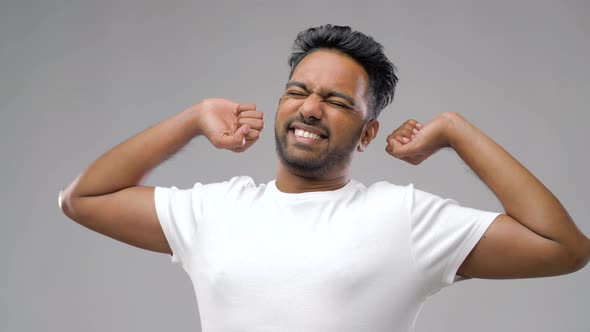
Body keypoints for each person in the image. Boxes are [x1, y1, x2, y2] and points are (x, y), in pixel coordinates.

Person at [59, 25, 590, 331]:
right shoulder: (214, 211)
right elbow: (83, 198)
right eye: (297, 91)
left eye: (337, 101)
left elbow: (564, 247)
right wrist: (193, 119)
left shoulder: (402, 218)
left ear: (366, 133)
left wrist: (456, 131)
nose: (310, 108)